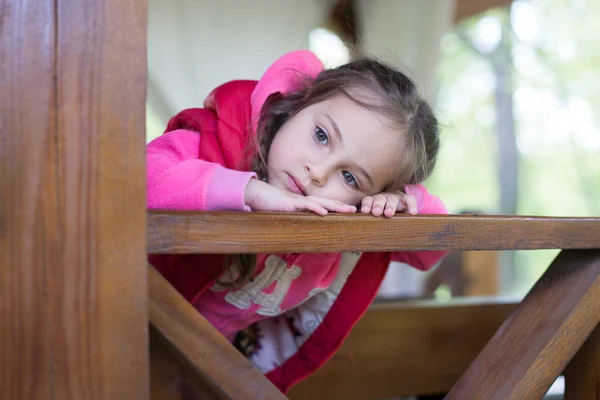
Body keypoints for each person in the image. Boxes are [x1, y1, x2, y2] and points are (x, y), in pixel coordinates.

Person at [147, 50, 447, 393]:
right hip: (120, 323)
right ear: (297, 103)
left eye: (349, 177)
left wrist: (407, 203)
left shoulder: (348, 217)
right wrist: (247, 192)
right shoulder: (214, 140)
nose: (317, 173)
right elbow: (136, 180)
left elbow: (429, 254)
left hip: (213, 363)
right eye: (321, 136)